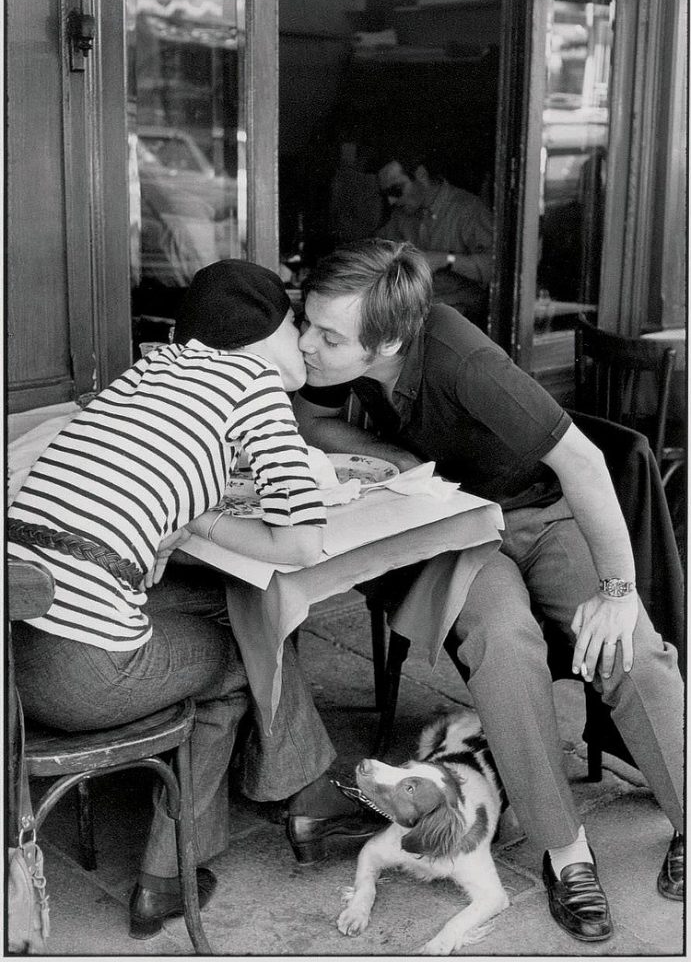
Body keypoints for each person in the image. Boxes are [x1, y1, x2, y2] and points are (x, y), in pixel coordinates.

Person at [292, 238, 684, 943]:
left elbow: (585, 462)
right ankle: (565, 851)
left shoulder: (462, 358)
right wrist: (396, 456)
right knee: (502, 644)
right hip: (460, 528)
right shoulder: (330, 353)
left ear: (386, 341)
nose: (305, 344)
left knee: (629, 644)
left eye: (324, 335)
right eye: (306, 323)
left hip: (542, 510)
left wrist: (617, 589)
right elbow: (304, 417)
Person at [8, 259, 382, 941]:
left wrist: (183, 524)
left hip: (16, 657)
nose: (302, 342)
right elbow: (300, 543)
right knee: (239, 660)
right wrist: (204, 522)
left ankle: (308, 794)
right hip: (80, 675)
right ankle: (169, 875)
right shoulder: (250, 384)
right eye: (294, 323)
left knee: (229, 603)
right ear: (260, 330)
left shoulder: (149, 371)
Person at [377, 151, 494, 329]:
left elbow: (493, 267)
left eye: (396, 190)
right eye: (386, 194)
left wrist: (445, 260)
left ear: (421, 175)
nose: (392, 201)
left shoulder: (468, 209)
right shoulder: (401, 215)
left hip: (460, 320)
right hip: (413, 314)